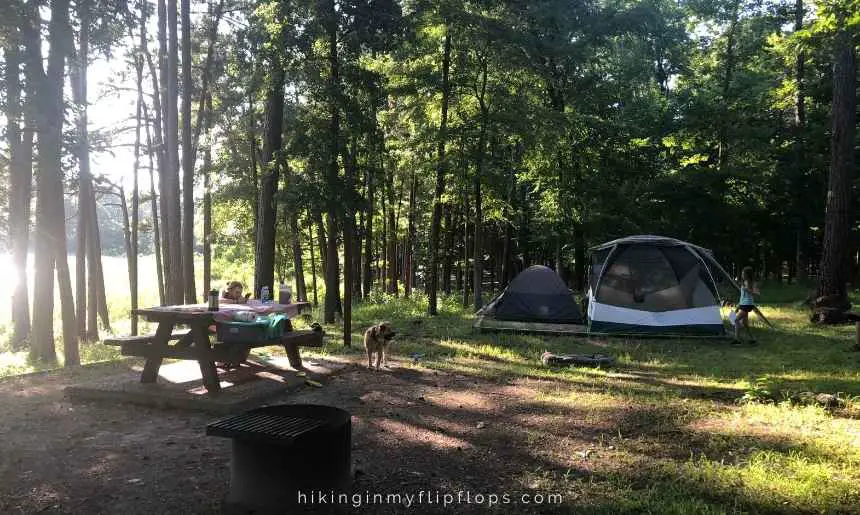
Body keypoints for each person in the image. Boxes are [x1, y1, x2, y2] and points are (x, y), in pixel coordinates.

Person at [733, 267, 759, 344]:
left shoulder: (751, 283)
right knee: (745, 323)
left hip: (747, 305)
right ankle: (752, 339)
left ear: (747, 275)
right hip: (744, 304)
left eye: (743, 273)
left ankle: (737, 339)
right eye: (742, 273)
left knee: (736, 320)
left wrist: (747, 289)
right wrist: (738, 305)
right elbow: (742, 296)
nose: (742, 275)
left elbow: (757, 293)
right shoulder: (745, 282)